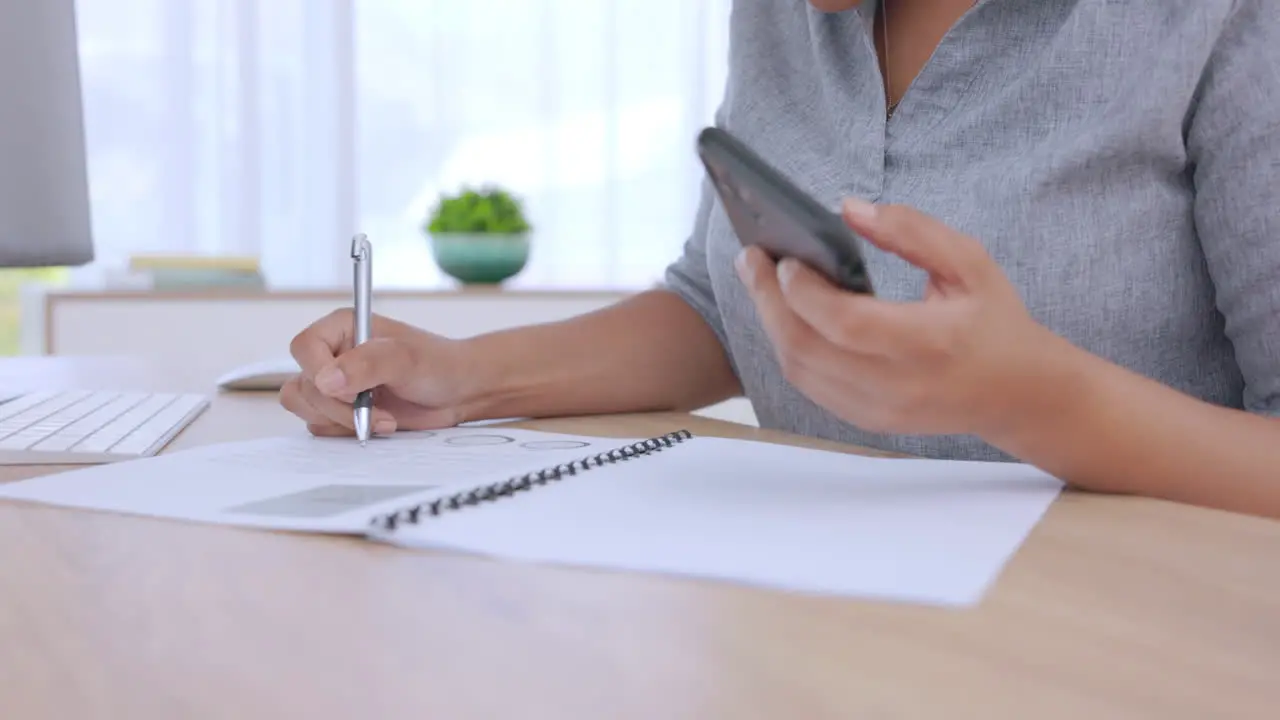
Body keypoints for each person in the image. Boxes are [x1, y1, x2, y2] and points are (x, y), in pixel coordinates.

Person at [281, 0, 1280, 520]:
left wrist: (1027, 400)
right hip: (808, 627)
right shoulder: (785, 13)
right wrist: (464, 378)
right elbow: (722, 306)